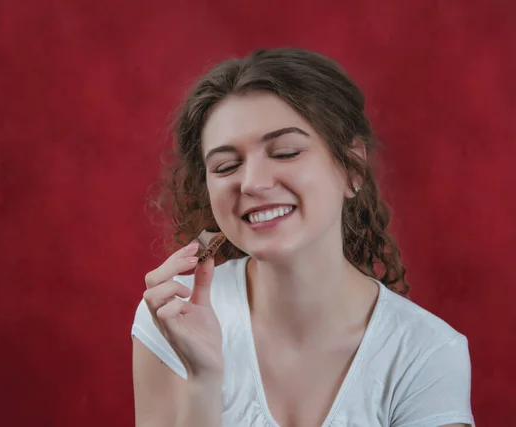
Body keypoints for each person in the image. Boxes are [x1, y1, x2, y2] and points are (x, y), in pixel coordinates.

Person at [131, 47, 475, 427]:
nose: (254, 183)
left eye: (286, 152)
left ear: (353, 168)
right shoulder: (172, 317)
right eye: (227, 165)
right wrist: (203, 383)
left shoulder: (428, 354)